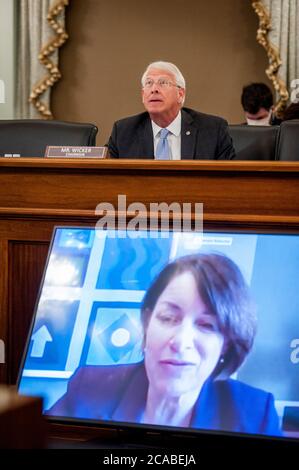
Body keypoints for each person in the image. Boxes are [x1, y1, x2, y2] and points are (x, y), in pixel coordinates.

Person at [47, 253, 281, 437]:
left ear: (227, 344)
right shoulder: (90, 386)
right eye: (168, 318)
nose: (180, 341)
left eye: (206, 325)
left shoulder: (255, 413)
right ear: (147, 322)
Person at [107, 61, 235, 160]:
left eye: (163, 83)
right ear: (143, 95)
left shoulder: (213, 130)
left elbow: (230, 181)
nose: (154, 89)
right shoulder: (124, 132)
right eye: (149, 83)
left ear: (180, 94)